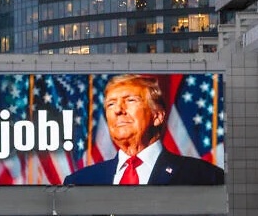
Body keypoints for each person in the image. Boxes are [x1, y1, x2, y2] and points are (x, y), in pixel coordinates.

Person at [63, 74, 224, 186]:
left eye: (130, 100)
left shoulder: (205, 177)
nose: (118, 110)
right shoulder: (79, 182)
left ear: (157, 116)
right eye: (111, 104)